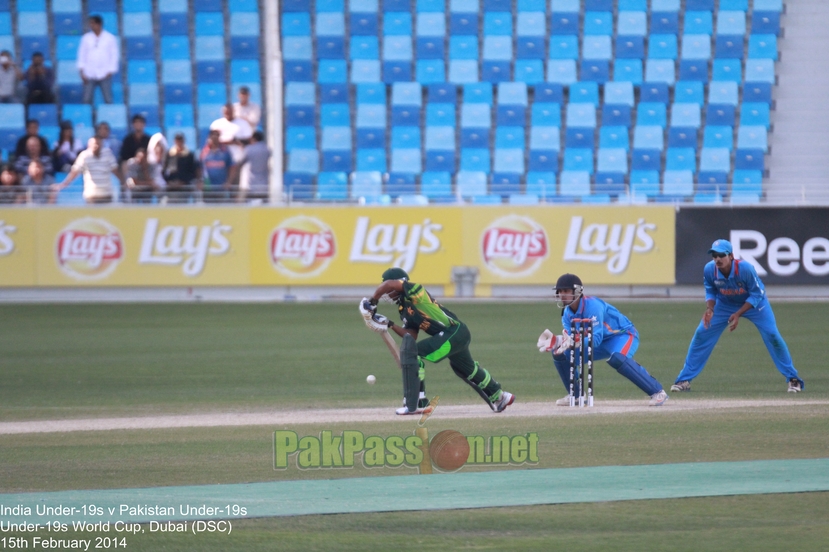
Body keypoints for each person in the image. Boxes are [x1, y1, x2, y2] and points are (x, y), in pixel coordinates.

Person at [361, 268, 515, 415]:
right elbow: (410, 335)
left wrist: (372, 302)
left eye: (387, 289)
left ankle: (417, 402)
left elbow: (388, 284)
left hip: (453, 331)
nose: (386, 292)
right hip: (454, 335)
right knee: (467, 370)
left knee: (413, 353)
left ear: (399, 283)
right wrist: (389, 324)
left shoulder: (415, 291)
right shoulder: (404, 308)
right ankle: (500, 395)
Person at [671, 239, 805, 394]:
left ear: (731, 256)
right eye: (714, 255)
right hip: (725, 304)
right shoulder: (709, 269)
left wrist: (739, 313)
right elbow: (710, 289)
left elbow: (757, 293)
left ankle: (793, 379)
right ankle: (684, 380)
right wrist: (710, 309)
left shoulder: (745, 269)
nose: (718, 259)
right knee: (702, 334)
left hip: (755, 305)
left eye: (722, 255)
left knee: (772, 335)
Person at [538, 273, 669, 407]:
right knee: (560, 354)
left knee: (617, 358)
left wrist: (575, 341)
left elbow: (595, 340)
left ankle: (657, 392)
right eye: (560, 291)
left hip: (622, 335)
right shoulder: (566, 314)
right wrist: (560, 341)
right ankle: (576, 395)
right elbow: (571, 338)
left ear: (577, 291)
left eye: (566, 291)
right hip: (597, 341)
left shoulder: (593, 306)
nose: (562, 295)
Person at [53, 136, 120, 204]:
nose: (96, 145)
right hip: (91, 196)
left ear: (101, 144)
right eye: (94, 143)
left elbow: (115, 170)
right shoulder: (84, 156)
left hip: (107, 195)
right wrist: (64, 184)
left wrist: (123, 181)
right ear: (89, 145)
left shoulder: (107, 154)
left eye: (98, 143)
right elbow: (75, 171)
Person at [77, 14, 119, 104]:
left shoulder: (110, 38)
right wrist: (81, 71)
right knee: (86, 99)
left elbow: (114, 55)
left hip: (105, 73)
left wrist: (111, 70)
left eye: (93, 23)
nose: (91, 25)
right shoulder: (86, 38)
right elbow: (81, 54)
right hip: (89, 73)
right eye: (90, 23)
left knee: (108, 99)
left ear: (99, 24)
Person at [231, 130, 270, 202]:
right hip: (264, 185)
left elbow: (239, 161)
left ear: (253, 139)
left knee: (245, 205)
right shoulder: (267, 150)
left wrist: (242, 148)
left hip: (250, 185)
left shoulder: (249, 149)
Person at [161, 132, 200, 202]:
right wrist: (169, 182)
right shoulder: (169, 154)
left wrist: (182, 182)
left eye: (180, 140)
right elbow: (164, 170)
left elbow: (193, 172)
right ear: (174, 141)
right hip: (171, 188)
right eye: (177, 140)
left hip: (184, 188)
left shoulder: (189, 155)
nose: (179, 142)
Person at [199, 129, 234, 202]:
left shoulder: (225, 151)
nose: (215, 137)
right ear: (209, 137)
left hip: (221, 187)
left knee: (222, 210)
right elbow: (199, 168)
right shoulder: (205, 151)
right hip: (208, 187)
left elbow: (232, 167)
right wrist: (200, 181)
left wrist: (229, 182)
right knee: (208, 210)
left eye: (217, 135)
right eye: (213, 135)